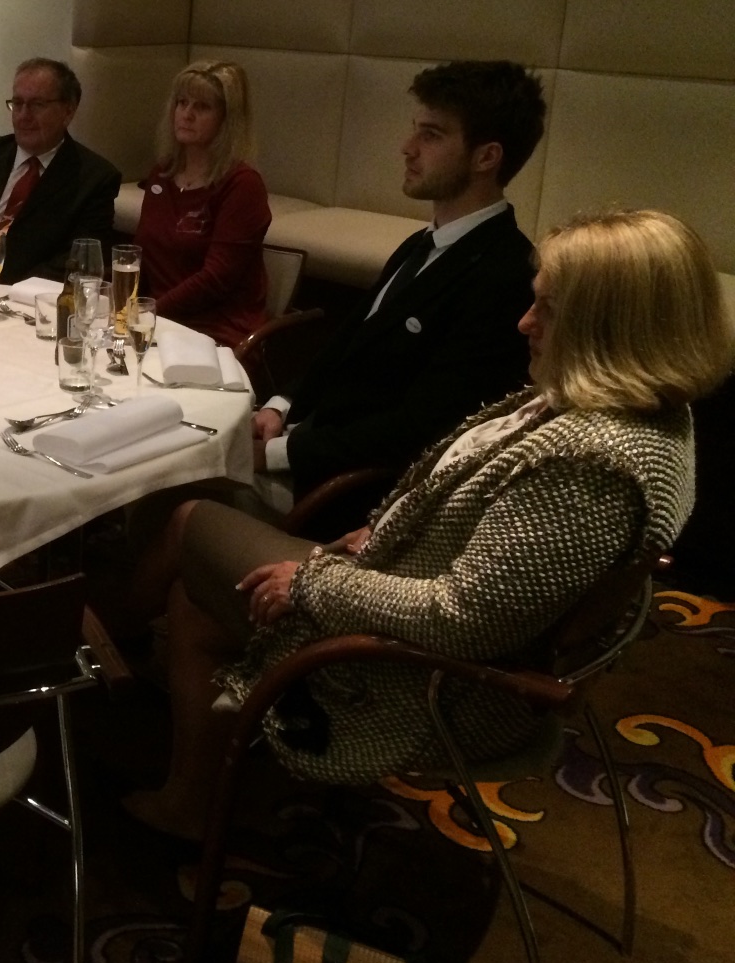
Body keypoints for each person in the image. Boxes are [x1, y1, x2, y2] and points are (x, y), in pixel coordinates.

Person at [121, 208, 730, 838]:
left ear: (612, 326)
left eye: (548, 309)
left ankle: (114, 649)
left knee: (188, 518)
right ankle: (193, 788)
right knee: (193, 594)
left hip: (426, 683)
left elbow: (463, 619)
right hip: (398, 595)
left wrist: (311, 581)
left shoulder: (592, 463)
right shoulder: (635, 408)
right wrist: (381, 529)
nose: (524, 322)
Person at [252, 60, 544, 510]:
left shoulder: (504, 274)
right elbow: (346, 344)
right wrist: (281, 405)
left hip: (350, 493)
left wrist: (275, 454)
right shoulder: (423, 244)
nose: (407, 148)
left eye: (432, 135)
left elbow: (421, 431)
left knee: (173, 494)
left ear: (486, 157)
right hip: (309, 443)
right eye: (415, 131)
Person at [0, 57, 122, 285]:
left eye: (37, 105)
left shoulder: (93, 179)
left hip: (19, 294)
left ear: (68, 111)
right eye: (17, 103)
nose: (24, 116)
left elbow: (78, 262)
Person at [136, 61, 271, 348]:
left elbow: (216, 279)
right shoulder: (162, 174)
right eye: (181, 103)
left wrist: (148, 313)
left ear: (227, 120)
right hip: (158, 324)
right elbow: (142, 257)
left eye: (202, 107)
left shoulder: (242, 185)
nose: (186, 114)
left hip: (215, 331)